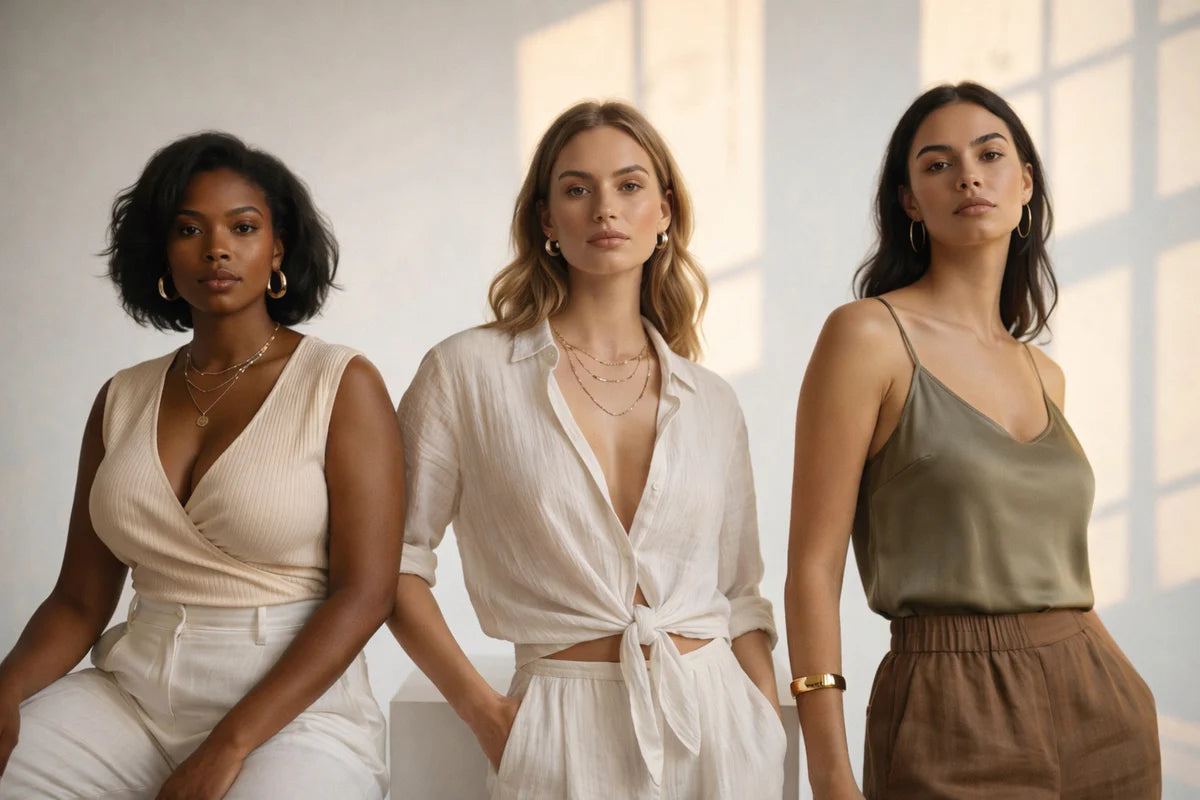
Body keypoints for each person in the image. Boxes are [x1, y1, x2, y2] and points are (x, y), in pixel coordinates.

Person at [388, 100, 785, 799]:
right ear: (546, 219)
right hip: (559, 724)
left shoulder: (711, 401)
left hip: (716, 727)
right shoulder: (466, 373)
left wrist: (762, 725)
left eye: (629, 186)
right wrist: (488, 716)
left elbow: (741, 594)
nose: (605, 207)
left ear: (664, 212)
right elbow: (393, 563)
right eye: (577, 189)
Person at [783, 82, 1161, 800]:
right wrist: (829, 771)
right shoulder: (867, 336)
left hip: (1101, 706)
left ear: (1025, 185)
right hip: (946, 704)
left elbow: (1047, 565)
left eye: (991, 154)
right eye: (937, 163)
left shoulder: (1043, 373)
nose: (968, 175)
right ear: (909, 201)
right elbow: (812, 566)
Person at [0, 132, 403, 800]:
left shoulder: (340, 382)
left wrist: (229, 745)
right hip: (133, 696)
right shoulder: (123, 395)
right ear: (162, 251)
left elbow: (365, 594)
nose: (217, 248)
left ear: (276, 249)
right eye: (190, 229)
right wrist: (6, 693)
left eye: (243, 228)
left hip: (293, 712)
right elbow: (79, 601)